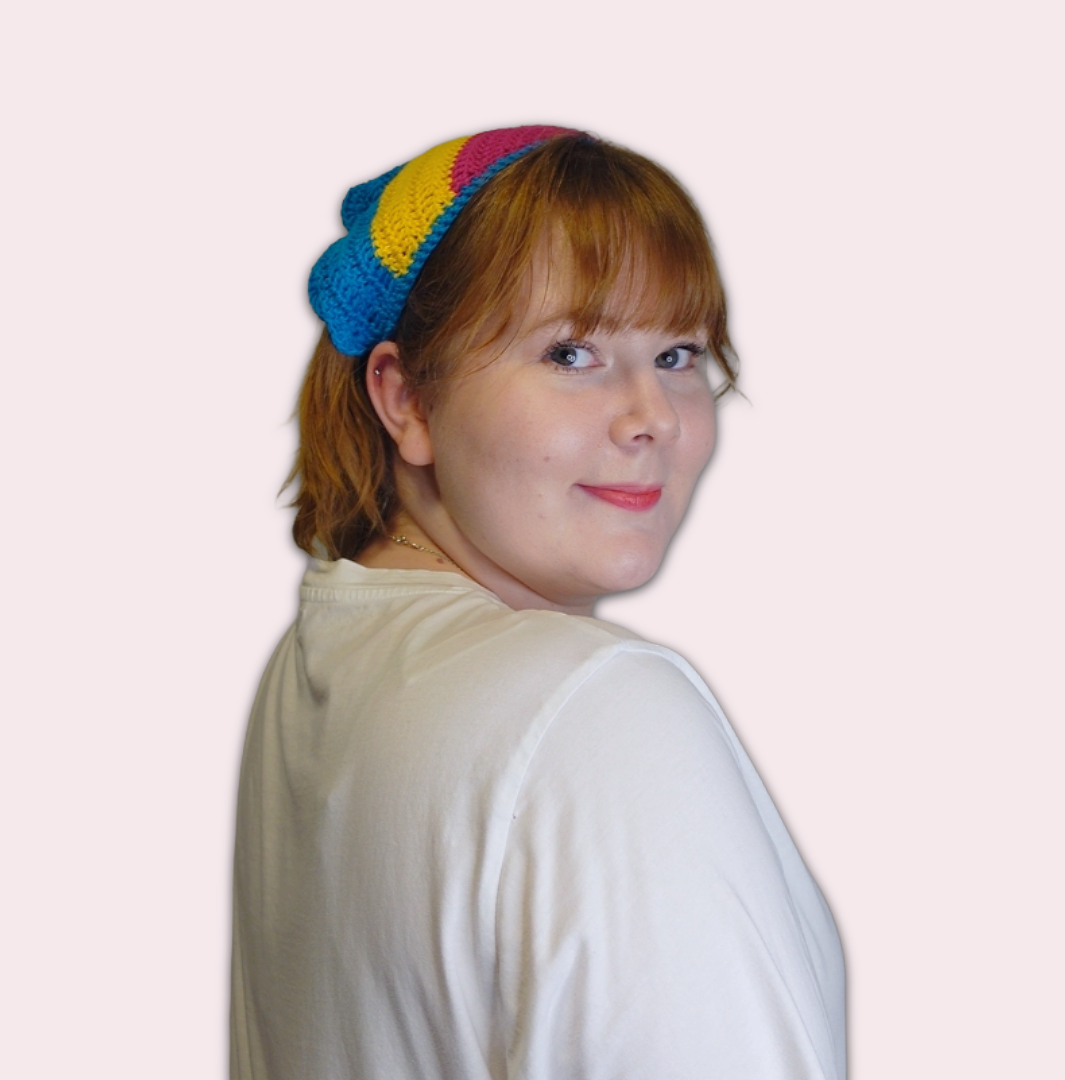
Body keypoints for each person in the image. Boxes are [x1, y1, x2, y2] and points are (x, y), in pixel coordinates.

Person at [230, 125, 846, 1080]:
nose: (651, 416)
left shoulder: (319, 659)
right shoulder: (601, 712)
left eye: (679, 353)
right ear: (406, 400)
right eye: (571, 353)